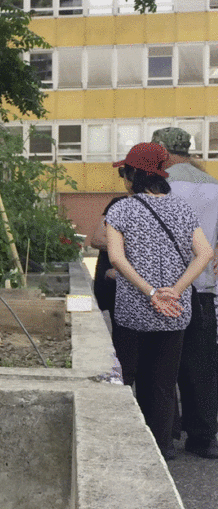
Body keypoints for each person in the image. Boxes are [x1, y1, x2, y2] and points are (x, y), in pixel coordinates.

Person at [105, 142, 214, 461]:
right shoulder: (182, 208)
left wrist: (151, 292)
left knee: (127, 377)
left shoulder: (120, 209)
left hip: (133, 311)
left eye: (125, 170)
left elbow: (116, 258)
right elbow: (205, 253)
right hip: (175, 311)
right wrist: (175, 290)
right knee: (164, 383)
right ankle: (161, 447)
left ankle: (130, 442)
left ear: (135, 174)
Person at [152, 127, 218, 459]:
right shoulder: (213, 186)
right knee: (203, 367)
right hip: (204, 289)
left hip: (167, 288)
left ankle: (166, 436)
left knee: (163, 364)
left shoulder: (161, 186)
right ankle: (204, 437)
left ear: (161, 149)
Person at [90, 195, 131, 382]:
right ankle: (121, 375)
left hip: (131, 281)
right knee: (119, 331)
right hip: (112, 280)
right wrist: (122, 246)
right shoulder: (118, 203)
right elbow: (97, 239)